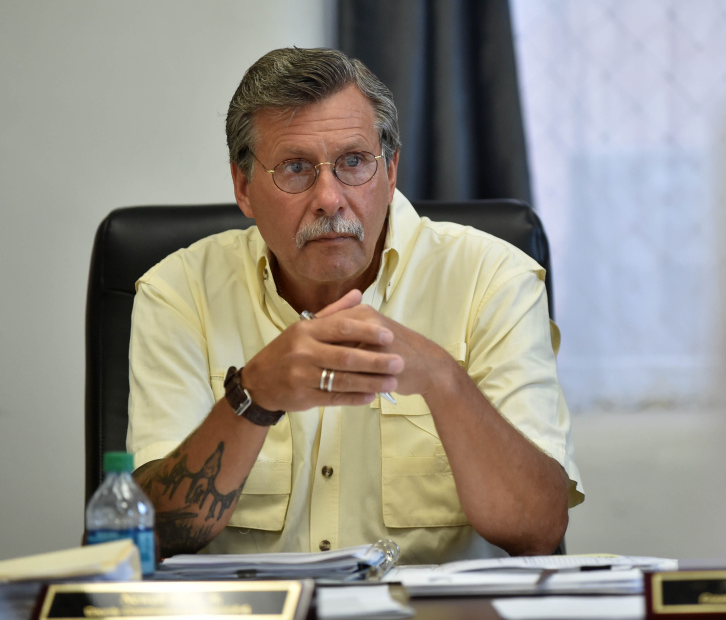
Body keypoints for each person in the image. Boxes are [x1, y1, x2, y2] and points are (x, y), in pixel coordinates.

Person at [126, 47, 584, 564]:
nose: (329, 197)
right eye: (295, 168)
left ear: (390, 172)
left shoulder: (493, 279)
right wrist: (252, 396)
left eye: (353, 163)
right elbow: (152, 535)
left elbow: (538, 530)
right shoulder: (179, 292)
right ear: (243, 187)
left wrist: (442, 378)